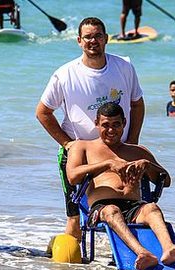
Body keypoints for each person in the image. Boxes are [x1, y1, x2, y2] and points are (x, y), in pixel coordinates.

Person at [36, 17, 145, 241]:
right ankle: (73, 267)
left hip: (120, 151)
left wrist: (132, 140)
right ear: (79, 41)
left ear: (106, 39)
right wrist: (68, 143)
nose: (92, 41)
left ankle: (137, 253)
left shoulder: (124, 66)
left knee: (134, 206)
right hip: (80, 155)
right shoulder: (65, 74)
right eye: (87, 37)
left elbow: (137, 103)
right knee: (75, 218)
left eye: (97, 36)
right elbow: (43, 112)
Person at [66, 103, 175, 270]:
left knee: (151, 208)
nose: (111, 130)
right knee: (112, 210)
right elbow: (72, 177)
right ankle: (142, 253)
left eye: (116, 124)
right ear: (96, 123)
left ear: (124, 123)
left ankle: (169, 248)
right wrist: (107, 164)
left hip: (134, 207)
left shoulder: (138, 151)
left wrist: (149, 165)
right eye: (105, 125)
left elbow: (166, 181)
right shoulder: (82, 146)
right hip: (102, 208)